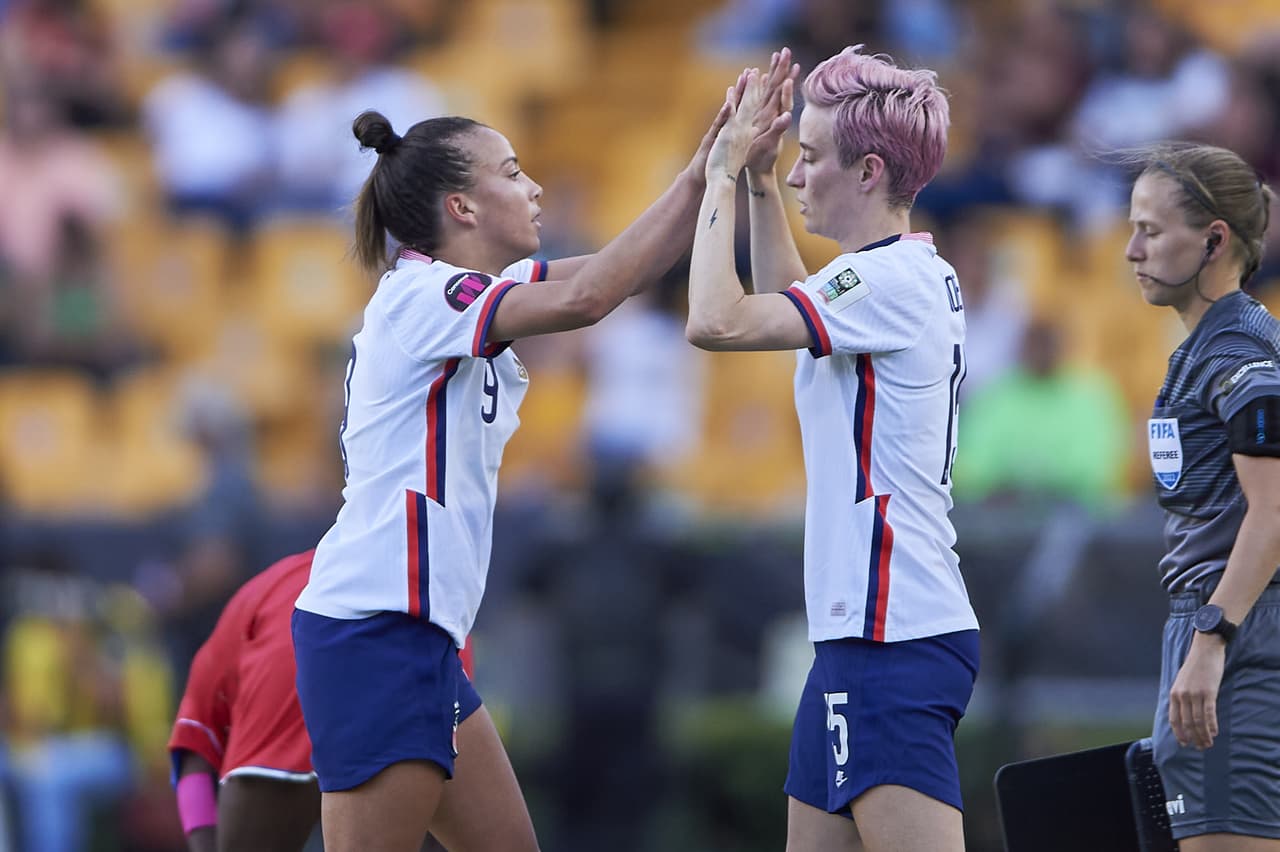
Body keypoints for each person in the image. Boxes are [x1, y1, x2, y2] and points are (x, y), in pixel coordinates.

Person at [291, 101, 729, 852]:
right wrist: (701, 177)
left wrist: (706, 175)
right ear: (460, 205)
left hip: (417, 637)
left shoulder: (472, 291)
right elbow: (590, 298)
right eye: (512, 172)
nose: (534, 190)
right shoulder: (425, 296)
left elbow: (612, 269)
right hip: (377, 630)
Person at [686, 47, 979, 852]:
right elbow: (797, 307)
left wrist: (717, 176)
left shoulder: (887, 283)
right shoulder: (886, 276)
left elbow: (717, 320)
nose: (795, 175)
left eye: (809, 160)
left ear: (868, 171)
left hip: (892, 632)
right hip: (862, 634)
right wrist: (754, 179)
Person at [1124, 142, 1280, 851]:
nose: (1131, 250)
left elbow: (1274, 509)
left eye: (1151, 231)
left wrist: (1212, 638)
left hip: (1235, 632)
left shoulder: (1235, 354)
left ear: (1214, 239)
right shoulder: (1212, 347)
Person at [169, 547, 476, 852]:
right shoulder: (428, 590)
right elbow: (455, 738)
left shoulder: (264, 588)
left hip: (279, 742)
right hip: (392, 722)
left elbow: (194, 744)